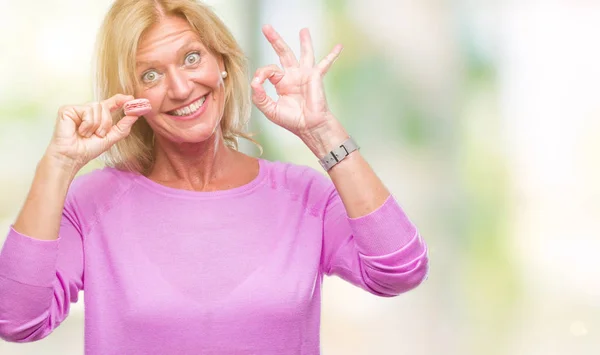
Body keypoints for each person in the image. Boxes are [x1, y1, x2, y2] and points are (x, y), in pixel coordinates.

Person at [0, 0, 428, 354]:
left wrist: (322, 132)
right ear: (129, 96)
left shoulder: (303, 195)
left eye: (191, 58)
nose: (182, 88)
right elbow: (17, 321)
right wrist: (57, 165)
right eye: (150, 74)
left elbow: (400, 271)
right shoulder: (92, 203)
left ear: (222, 62)